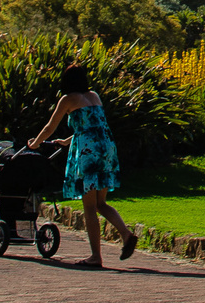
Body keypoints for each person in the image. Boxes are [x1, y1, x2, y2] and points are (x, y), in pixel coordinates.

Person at [28, 63, 138, 269]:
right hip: (106, 148)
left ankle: (96, 256)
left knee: (89, 206)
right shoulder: (94, 96)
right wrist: (67, 141)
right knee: (101, 203)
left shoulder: (67, 99)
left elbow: (50, 126)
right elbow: (92, 126)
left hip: (89, 153)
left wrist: (35, 144)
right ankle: (126, 234)